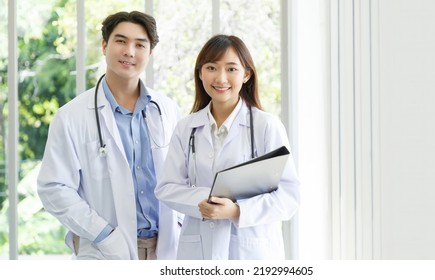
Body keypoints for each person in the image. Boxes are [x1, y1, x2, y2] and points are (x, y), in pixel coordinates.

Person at [37, 11, 181, 260]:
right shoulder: (72, 116)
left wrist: (179, 223)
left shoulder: (167, 110)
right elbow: (54, 187)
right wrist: (104, 234)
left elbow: (183, 175)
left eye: (140, 44)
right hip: (104, 251)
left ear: (150, 53)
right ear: (105, 46)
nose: (129, 51)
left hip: (166, 249)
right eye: (121, 41)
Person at [155, 34, 300, 260]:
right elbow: (166, 187)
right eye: (212, 67)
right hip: (197, 252)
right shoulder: (186, 128)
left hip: (252, 252)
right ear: (200, 72)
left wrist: (236, 211)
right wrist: (203, 201)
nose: (221, 78)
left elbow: (289, 196)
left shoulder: (266, 126)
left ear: (246, 74)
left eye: (231, 69)